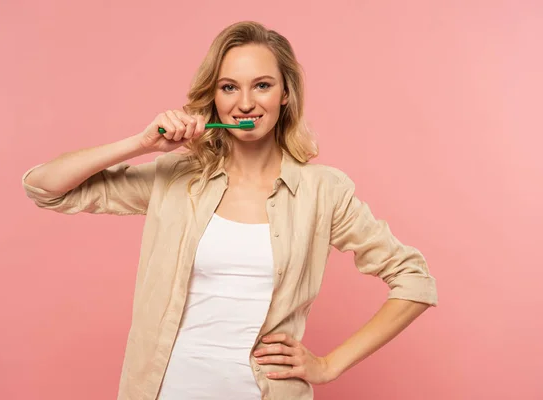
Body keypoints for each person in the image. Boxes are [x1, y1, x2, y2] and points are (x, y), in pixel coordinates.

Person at [22, 20, 438, 400]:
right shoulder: (177, 178)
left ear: (285, 94)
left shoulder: (323, 192)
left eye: (261, 85)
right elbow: (45, 187)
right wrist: (141, 144)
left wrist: (329, 365)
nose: (245, 103)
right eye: (228, 87)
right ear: (214, 99)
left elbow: (414, 281)